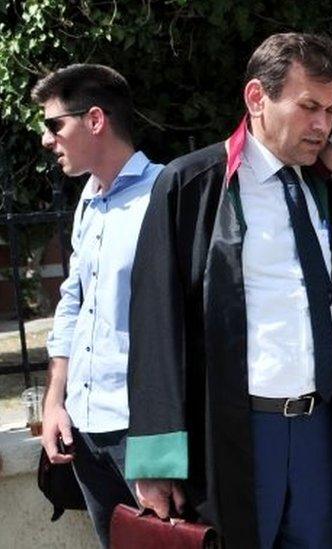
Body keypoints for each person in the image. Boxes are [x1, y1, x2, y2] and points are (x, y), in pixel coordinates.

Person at [123, 33, 332, 549]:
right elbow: (156, 321)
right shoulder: (194, 183)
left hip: (321, 432)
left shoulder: (324, 185)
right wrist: (156, 462)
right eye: (309, 106)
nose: (321, 125)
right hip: (235, 436)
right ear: (257, 98)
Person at [34, 64, 164, 548]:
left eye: (53, 125)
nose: (48, 140)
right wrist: (54, 403)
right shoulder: (89, 199)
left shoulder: (164, 194)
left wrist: (158, 455)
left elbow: (181, 326)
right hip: (86, 432)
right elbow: (74, 303)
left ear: (94, 120)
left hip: (140, 433)